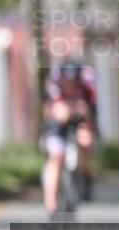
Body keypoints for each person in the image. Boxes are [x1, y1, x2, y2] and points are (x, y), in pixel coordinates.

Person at [41, 58, 97, 215]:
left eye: (74, 82)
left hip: (82, 121)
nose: (71, 85)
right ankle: (51, 206)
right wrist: (64, 112)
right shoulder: (54, 85)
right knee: (56, 158)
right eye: (68, 81)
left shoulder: (87, 85)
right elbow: (52, 112)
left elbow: (90, 113)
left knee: (85, 140)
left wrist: (84, 120)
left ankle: (84, 173)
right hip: (57, 125)